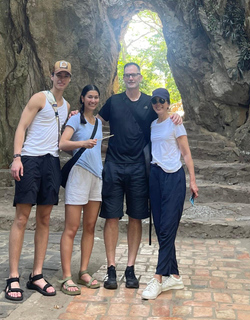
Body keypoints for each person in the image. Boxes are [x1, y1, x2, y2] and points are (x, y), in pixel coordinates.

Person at [97, 63, 182, 289]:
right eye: (127, 75)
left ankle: (131, 268)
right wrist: (78, 114)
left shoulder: (149, 102)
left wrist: (175, 117)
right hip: (114, 164)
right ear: (123, 78)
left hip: (139, 167)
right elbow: (96, 120)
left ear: (140, 77)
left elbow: (163, 116)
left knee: (136, 216)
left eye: (134, 75)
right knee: (112, 216)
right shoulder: (114, 101)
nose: (131, 78)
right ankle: (111, 268)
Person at [5, 60, 72, 301]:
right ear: (51, 76)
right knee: (22, 217)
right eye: (58, 75)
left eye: (66, 76)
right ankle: (13, 276)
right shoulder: (39, 98)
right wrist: (17, 158)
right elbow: (21, 126)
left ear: (69, 79)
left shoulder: (66, 106)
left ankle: (37, 274)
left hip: (52, 162)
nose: (61, 79)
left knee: (44, 218)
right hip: (30, 159)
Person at [141, 88, 198, 300]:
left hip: (173, 177)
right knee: (161, 227)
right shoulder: (152, 125)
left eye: (162, 100)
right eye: (155, 100)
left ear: (168, 102)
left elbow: (186, 153)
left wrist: (192, 180)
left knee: (168, 226)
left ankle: (158, 278)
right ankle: (174, 276)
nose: (158, 104)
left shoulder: (176, 123)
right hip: (155, 176)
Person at [58, 85, 103, 295]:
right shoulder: (75, 119)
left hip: (96, 176)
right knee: (72, 227)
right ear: (82, 98)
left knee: (90, 226)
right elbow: (62, 143)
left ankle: (84, 272)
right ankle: (67, 276)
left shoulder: (99, 123)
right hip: (79, 175)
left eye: (95, 97)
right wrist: (82, 143)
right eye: (89, 97)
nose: (92, 100)